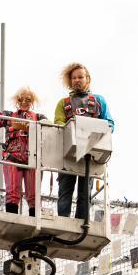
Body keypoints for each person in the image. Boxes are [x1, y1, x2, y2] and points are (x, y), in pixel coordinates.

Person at [54, 62, 115, 220]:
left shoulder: (99, 101)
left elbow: (110, 124)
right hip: (68, 154)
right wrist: (75, 126)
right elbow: (58, 124)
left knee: (84, 193)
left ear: (87, 78)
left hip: (91, 153)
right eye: (74, 78)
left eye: (80, 77)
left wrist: (92, 128)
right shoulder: (63, 103)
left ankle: (82, 223)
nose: (77, 80)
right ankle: (63, 221)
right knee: (65, 191)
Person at [0, 77, 47, 216]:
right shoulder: (9, 115)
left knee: (33, 194)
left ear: (32, 101)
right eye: (21, 99)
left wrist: (33, 128)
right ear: (17, 101)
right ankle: (12, 218)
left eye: (28, 99)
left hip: (33, 159)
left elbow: (50, 129)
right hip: (12, 157)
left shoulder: (39, 117)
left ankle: (33, 221)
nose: (24, 102)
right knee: (12, 191)